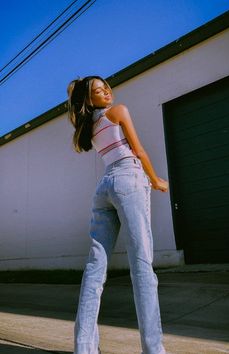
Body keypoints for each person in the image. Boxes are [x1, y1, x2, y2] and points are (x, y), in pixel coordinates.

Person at [67, 75, 168, 354]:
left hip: (104, 187)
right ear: (89, 99)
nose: (107, 93)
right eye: (98, 92)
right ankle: (153, 349)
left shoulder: (88, 126)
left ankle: (84, 348)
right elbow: (138, 150)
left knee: (95, 267)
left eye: (106, 87)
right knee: (142, 265)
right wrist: (156, 179)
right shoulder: (118, 111)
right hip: (128, 179)